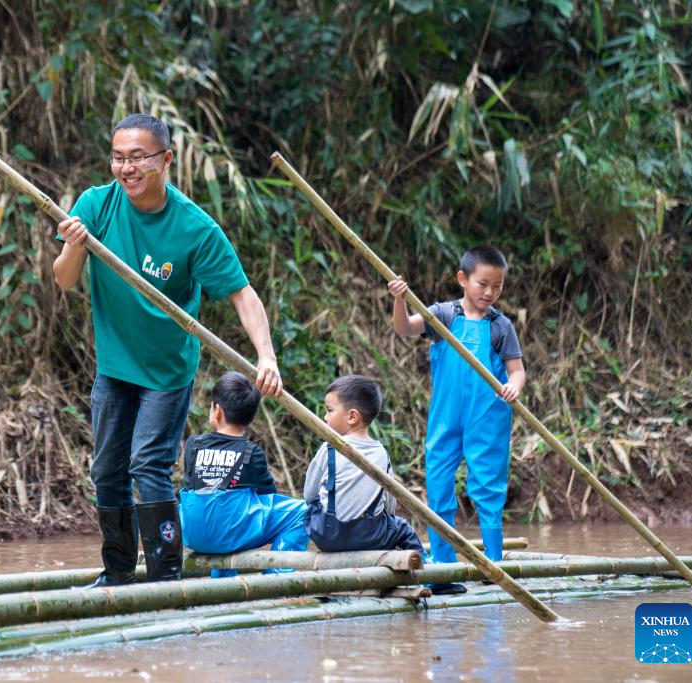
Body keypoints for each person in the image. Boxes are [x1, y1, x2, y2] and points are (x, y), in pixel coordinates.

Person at [52, 114, 282, 587]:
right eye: (119, 157)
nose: (127, 168)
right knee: (107, 469)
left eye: (139, 158)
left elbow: (243, 294)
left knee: (148, 465)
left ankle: (163, 574)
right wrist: (75, 246)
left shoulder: (194, 227)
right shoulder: (96, 205)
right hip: (114, 364)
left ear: (166, 160)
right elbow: (65, 278)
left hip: (166, 370)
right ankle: (116, 572)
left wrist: (267, 356)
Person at [388, 245, 525, 595]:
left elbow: (517, 371)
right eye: (483, 284)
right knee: (438, 487)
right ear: (462, 279)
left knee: (488, 489)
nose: (490, 293)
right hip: (446, 417)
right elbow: (404, 328)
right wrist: (400, 300)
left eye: (497, 287)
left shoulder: (501, 326)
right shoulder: (443, 315)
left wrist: (513, 387)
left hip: (488, 416)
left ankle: (493, 565)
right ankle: (444, 568)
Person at [179, 371, 308, 578]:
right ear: (250, 416)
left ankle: (222, 585)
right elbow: (269, 494)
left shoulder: (194, 444)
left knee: (226, 510)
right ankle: (278, 576)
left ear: (217, 410)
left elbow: (192, 486)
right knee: (302, 512)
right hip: (229, 533)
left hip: (192, 533)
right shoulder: (251, 452)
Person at [303, 375, 423, 554]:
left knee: (309, 507)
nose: (325, 417)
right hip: (370, 537)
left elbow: (309, 494)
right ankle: (426, 572)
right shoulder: (382, 453)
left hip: (327, 534)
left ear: (352, 416)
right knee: (403, 529)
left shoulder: (329, 448)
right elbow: (390, 506)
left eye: (329, 410)